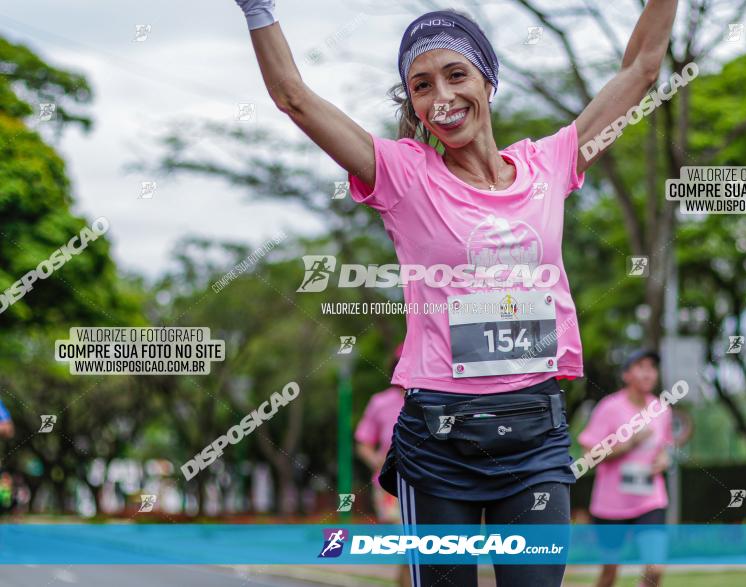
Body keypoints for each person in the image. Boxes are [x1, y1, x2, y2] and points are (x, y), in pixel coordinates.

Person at [232, 2, 677, 585]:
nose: (441, 96)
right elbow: (294, 96)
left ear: (488, 83)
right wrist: (257, 8)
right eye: (422, 85)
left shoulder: (550, 164)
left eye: (456, 75)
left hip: (535, 437)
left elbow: (642, 68)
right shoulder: (402, 175)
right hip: (440, 444)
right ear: (413, 104)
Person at [577, 350, 673, 587]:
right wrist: (629, 442)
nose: (648, 372)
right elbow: (588, 456)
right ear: (626, 374)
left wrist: (664, 460)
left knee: (655, 569)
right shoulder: (609, 408)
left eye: (652, 367)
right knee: (609, 574)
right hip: (611, 504)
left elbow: (664, 447)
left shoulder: (662, 409)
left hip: (650, 500)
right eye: (641, 366)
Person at [354, 344, 410, 587]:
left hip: (426, 478)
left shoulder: (430, 397)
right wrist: (376, 460)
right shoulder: (380, 402)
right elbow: (363, 443)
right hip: (389, 485)